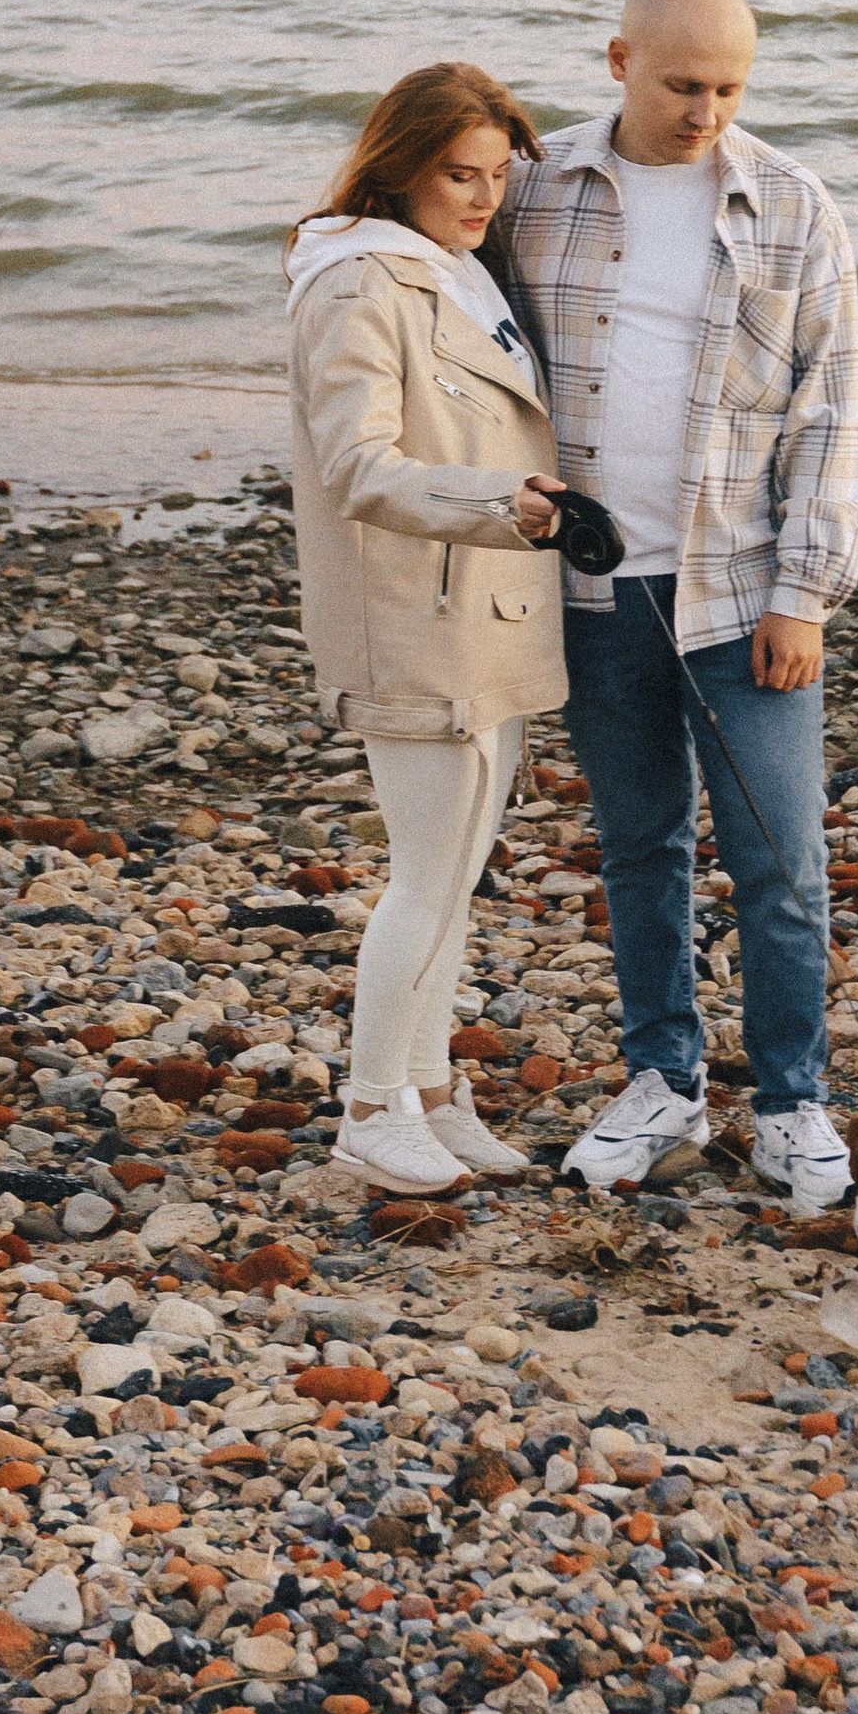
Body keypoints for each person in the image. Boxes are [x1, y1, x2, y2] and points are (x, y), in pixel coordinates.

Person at [503, 0, 858, 1217]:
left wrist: (806, 594)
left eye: (728, 87)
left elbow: (832, 413)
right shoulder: (531, 184)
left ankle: (789, 1105)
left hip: (743, 591)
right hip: (595, 595)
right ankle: (661, 1079)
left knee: (782, 859)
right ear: (616, 60)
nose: (705, 109)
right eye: (680, 84)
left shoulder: (792, 204)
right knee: (639, 846)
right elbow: (426, 292)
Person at [286, 61, 569, 1196]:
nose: (483, 196)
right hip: (414, 613)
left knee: (457, 872)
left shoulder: (457, 274)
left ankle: (431, 1092)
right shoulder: (360, 284)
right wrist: (501, 505)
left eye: (498, 175)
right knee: (425, 874)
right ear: (398, 163)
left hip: (484, 610)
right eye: (460, 172)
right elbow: (357, 465)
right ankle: (368, 1106)